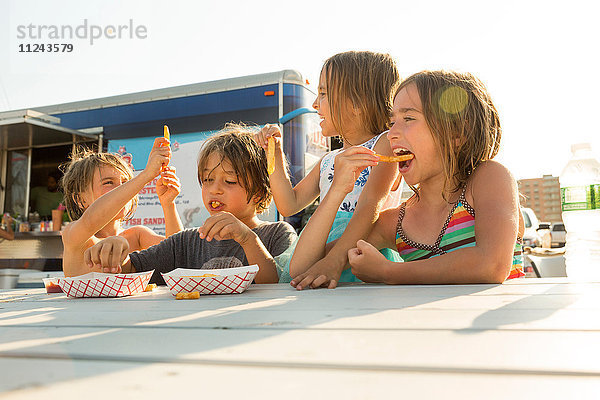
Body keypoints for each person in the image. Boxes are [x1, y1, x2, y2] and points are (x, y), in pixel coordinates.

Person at [342, 70, 524, 284]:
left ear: (457, 133)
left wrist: (388, 272)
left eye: (408, 118)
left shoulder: (489, 179)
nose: (391, 134)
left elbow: (491, 265)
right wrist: (337, 190)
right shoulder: (394, 223)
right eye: (392, 122)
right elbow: (318, 263)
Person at [254, 50, 401, 289]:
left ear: (357, 103)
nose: (314, 103)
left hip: (356, 258)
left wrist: (335, 259)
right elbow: (289, 204)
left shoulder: (383, 144)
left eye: (323, 93)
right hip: (317, 252)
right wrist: (276, 155)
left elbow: (369, 207)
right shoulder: (328, 160)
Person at [84, 125, 298, 284]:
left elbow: (275, 284)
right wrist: (115, 253)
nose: (215, 189)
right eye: (207, 180)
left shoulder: (277, 233)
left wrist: (247, 238)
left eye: (230, 181)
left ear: (260, 192)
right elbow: (133, 269)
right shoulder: (187, 242)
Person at [60, 138, 183, 277]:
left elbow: (178, 254)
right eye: (108, 183)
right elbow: (90, 220)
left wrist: (168, 204)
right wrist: (146, 175)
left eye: (125, 182)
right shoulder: (73, 235)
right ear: (80, 199)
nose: (122, 189)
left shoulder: (138, 235)